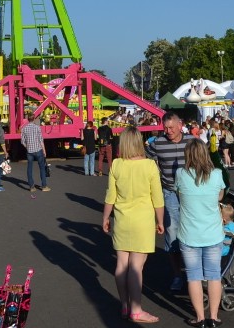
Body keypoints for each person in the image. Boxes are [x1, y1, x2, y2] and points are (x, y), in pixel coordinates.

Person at [101, 127, 164, 324]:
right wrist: (160, 221)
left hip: (122, 220)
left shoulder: (117, 165)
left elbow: (110, 195)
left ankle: (125, 305)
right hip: (143, 221)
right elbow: (158, 198)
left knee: (121, 265)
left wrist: (105, 217)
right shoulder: (150, 165)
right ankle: (136, 310)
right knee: (136, 267)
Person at [175, 140, 226, 328]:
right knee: (214, 275)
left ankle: (200, 318)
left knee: (193, 276)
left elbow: (179, 194)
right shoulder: (217, 174)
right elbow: (220, 196)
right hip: (212, 232)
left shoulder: (180, 174)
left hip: (189, 233)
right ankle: (214, 317)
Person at [147, 111, 191, 292]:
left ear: (180, 125)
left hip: (191, 193)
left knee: (192, 232)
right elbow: (144, 160)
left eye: (171, 127)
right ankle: (177, 275)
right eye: (165, 128)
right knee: (172, 233)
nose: (168, 131)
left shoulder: (192, 142)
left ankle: (192, 273)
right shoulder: (158, 143)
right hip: (170, 192)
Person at [20, 114, 49, 192]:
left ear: (27, 119)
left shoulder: (24, 129)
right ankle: (44, 186)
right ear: (34, 119)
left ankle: (32, 187)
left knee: (29, 168)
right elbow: (41, 140)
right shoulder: (37, 128)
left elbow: (22, 142)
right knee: (42, 168)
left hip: (30, 152)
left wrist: (27, 147)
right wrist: (44, 150)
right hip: (38, 150)